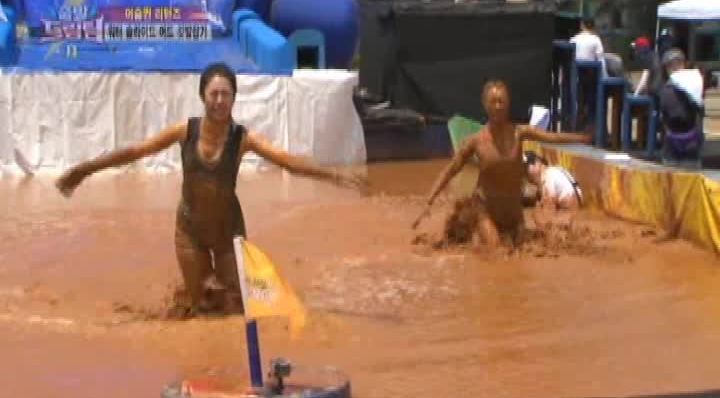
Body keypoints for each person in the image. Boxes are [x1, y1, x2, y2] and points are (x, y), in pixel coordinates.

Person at [56, 62, 366, 316]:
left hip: (229, 232)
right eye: (214, 94)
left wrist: (331, 175)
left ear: (234, 98)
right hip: (189, 230)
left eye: (225, 94)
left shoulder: (243, 139)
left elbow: (287, 161)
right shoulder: (185, 131)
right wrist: (86, 170)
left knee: (238, 307)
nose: (219, 101)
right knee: (201, 308)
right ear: (203, 96)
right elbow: (137, 151)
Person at [412, 80, 592, 250]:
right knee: (497, 254)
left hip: (514, 214)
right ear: (485, 104)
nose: (498, 106)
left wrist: (581, 138)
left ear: (508, 104)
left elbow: (552, 137)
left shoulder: (520, 133)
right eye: (493, 101)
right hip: (487, 212)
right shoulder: (475, 142)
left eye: (501, 101)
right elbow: (450, 170)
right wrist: (428, 202)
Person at [658, 48, 705, 167]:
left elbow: (700, 113)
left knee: (689, 173)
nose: (675, 68)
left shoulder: (694, 84)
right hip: (674, 140)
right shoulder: (666, 88)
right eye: (671, 66)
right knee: (672, 172)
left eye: (678, 64)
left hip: (689, 139)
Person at [570, 18, 606, 130]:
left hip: (577, 76)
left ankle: (577, 126)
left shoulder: (574, 39)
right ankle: (592, 126)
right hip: (592, 76)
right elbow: (601, 59)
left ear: (582, 25)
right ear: (593, 27)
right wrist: (605, 77)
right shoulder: (596, 39)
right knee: (592, 102)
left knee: (579, 102)